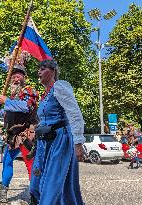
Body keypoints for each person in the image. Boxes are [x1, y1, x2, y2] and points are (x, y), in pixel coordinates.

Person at [29, 59, 85, 205]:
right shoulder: (45, 95)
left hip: (59, 141)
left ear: (52, 71)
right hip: (44, 142)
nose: (38, 72)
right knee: (36, 181)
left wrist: (78, 143)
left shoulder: (59, 87)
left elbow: (75, 114)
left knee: (53, 184)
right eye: (38, 69)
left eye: (43, 69)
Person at [0, 65, 38, 203]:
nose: (16, 78)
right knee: (7, 161)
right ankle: (2, 193)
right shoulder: (12, 96)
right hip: (14, 136)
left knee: (31, 165)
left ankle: (36, 197)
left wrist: (7, 102)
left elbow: (26, 107)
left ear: (24, 77)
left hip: (27, 134)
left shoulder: (29, 90)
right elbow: (12, 115)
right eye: (13, 76)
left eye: (19, 75)